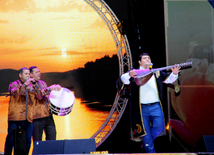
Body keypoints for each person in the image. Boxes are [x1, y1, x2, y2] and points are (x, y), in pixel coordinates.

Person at [117, 53, 181, 153]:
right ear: (139, 61)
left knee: (159, 127)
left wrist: (174, 74)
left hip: (155, 106)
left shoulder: (156, 72)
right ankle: (151, 151)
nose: (147, 59)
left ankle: (146, 143)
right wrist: (128, 75)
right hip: (141, 109)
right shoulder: (135, 73)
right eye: (144, 58)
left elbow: (169, 80)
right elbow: (123, 81)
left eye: (149, 58)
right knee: (145, 133)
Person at [4, 67, 42, 155]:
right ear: (20, 75)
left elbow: (39, 97)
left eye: (29, 74)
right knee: (11, 139)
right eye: (26, 74)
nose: (28, 76)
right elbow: (16, 94)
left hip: (28, 118)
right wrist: (25, 85)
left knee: (28, 140)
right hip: (15, 118)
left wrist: (35, 85)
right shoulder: (13, 84)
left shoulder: (32, 86)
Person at [29, 66, 61, 142]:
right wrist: (50, 88)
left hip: (48, 116)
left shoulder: (43, 83)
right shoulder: (29, 86)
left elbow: (47, 97)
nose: (39, 73)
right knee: (38, 143)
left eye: (39, 71)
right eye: (36, 72)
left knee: (52, 140)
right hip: (37, 118)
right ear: (31, 74)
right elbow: (39, 96)